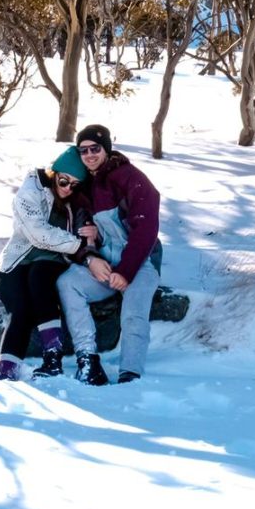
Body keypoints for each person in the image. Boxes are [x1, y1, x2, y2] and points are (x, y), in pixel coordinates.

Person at [57, 123, 162, 386]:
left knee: (133, 314)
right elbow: (83, 232)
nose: (89, 155)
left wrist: (126, 271)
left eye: (95, 148)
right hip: (105, 267)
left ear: (106, 149)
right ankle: (86, 357)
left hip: (138, 266)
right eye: (83, 150)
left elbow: (146, 228)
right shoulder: (85, 186)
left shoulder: (130, 177)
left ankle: (130, 372)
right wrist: (92, 256)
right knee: (67, 283)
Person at [0, 145, 92, 381]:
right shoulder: (31, 190)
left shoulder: (77, 200)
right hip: (16, 260)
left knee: (40, 275)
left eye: (74, 185)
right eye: (64, 181)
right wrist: (78, 245)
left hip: (53, 260)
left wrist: (88, 236)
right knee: (21, 310)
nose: (67, 189)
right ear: (54, 173)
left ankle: (52, 357)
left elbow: (87, 227)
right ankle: (5, 373)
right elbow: (38, 234)